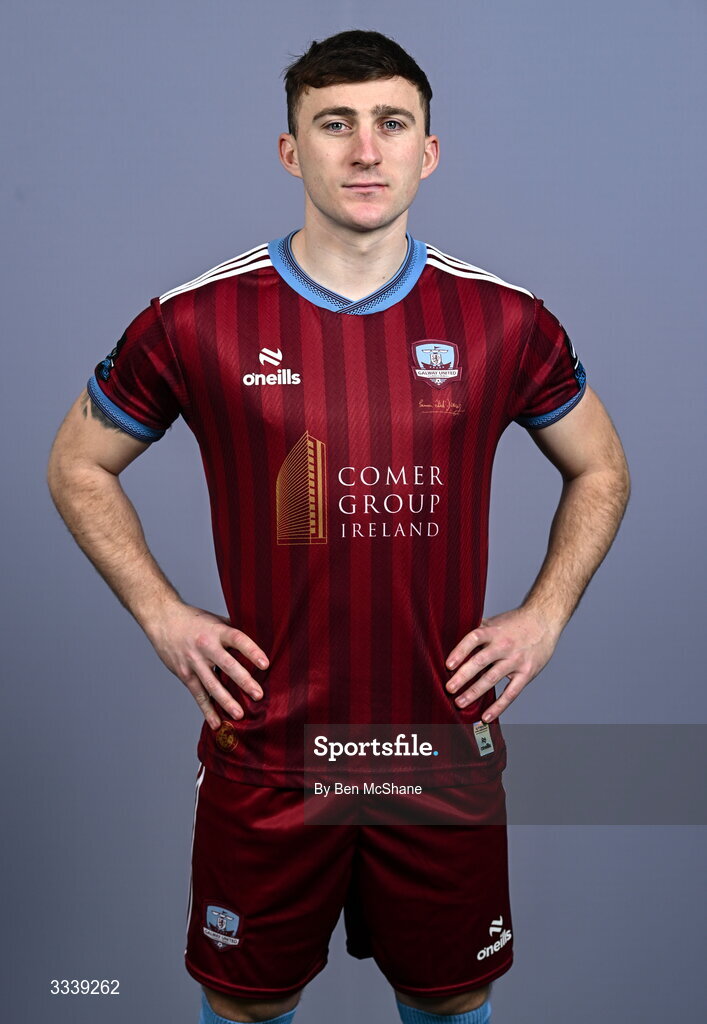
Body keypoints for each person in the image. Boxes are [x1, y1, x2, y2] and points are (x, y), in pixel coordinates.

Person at [46, 28, 630, 1024]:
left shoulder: (503, 320)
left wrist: (543, 614)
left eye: (390, 123)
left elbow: (599, 468)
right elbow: (77, 464)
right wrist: (161, 613)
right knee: (244, 1007)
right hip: (271, 754)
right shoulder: (198, 319)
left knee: (449, 1005)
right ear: (291, 150)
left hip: (436, 751)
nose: (364, 149)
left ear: (426, 151)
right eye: (334, 124)